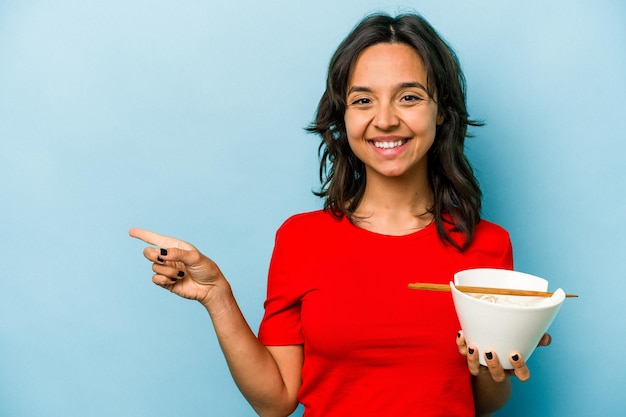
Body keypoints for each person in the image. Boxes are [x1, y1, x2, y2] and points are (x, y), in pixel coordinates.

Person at [130, 12, 551, 417]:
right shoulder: (300, 239)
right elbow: (275, 402)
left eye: (409, 97)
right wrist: (216, 295)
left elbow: (484, 401)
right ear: (343, 117)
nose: (385, 120)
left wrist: (501, 359)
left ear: (440, 111)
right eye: (363, 100)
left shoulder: (488, 245)